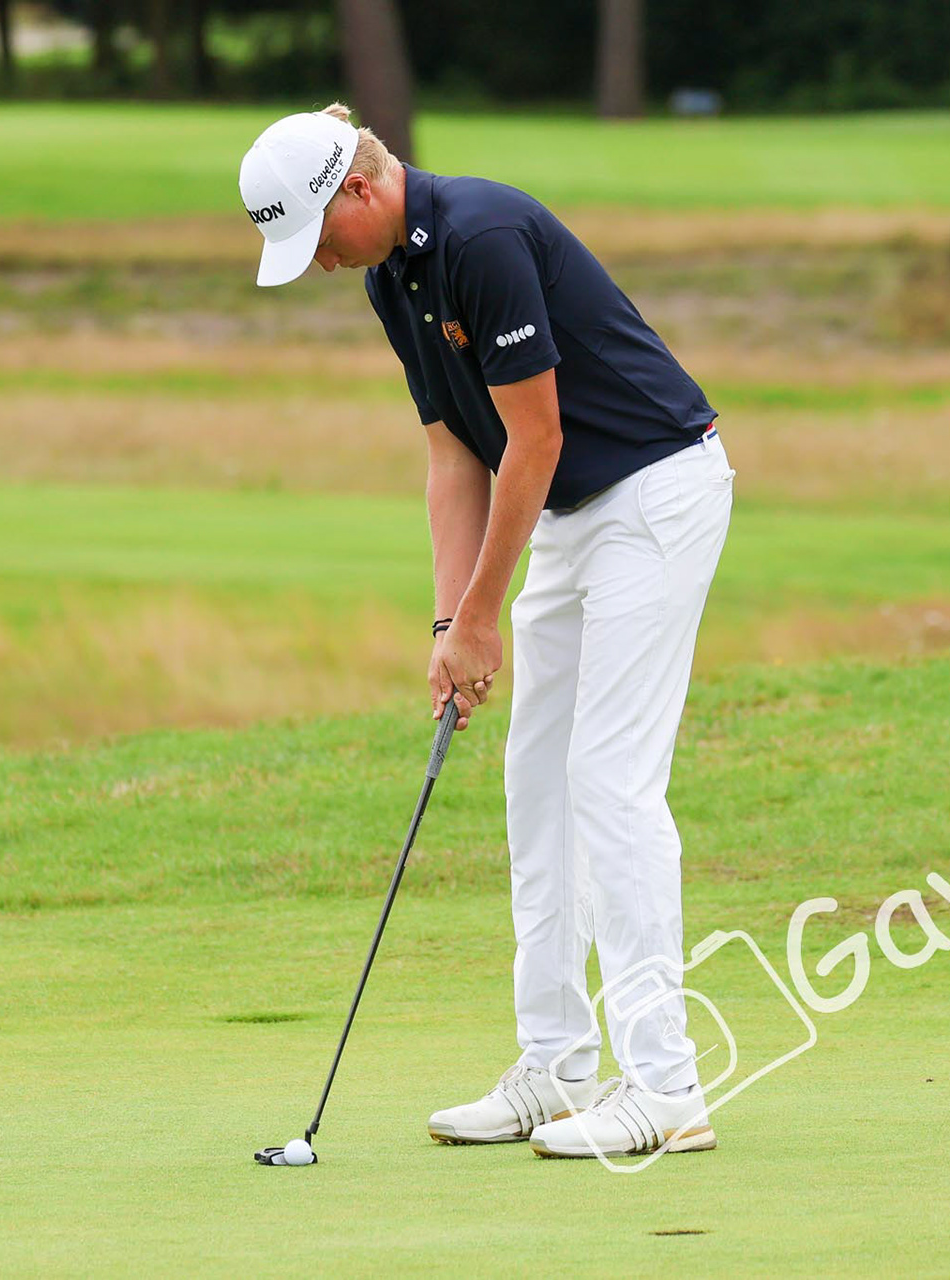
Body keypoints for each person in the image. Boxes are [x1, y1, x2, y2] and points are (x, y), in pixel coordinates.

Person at [238, 106, 735, 1160]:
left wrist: (482, 615)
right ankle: (556, 1059)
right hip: (559, 504)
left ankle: (666, 1083)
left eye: (319, 237)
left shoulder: (480, 238)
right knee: (537, 776)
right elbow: (454, 456)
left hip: (653, 492)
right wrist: (448, 620)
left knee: (608, 777)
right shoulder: (391, 277)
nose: (320, 264)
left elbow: (538, 432)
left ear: (361, 193)